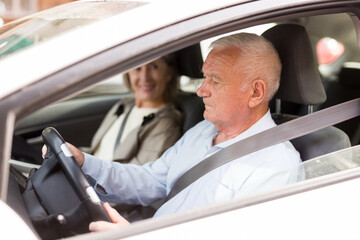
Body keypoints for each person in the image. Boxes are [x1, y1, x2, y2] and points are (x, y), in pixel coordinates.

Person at [52, 32, 302, 231]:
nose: (201, 90)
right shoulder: (203, 131)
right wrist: (85, 164)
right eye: (204, 78)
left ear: (255, 93)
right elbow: (151, 180)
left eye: (215, 81)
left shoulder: (276, 166)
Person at [82, 54, 183, 164]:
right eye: (137, 68)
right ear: (128, 73)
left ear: (169, 73)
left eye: (154, 67)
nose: (145, 77)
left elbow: (137, 176)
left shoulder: (166, 123)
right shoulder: (123, 105)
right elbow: (97, 151)